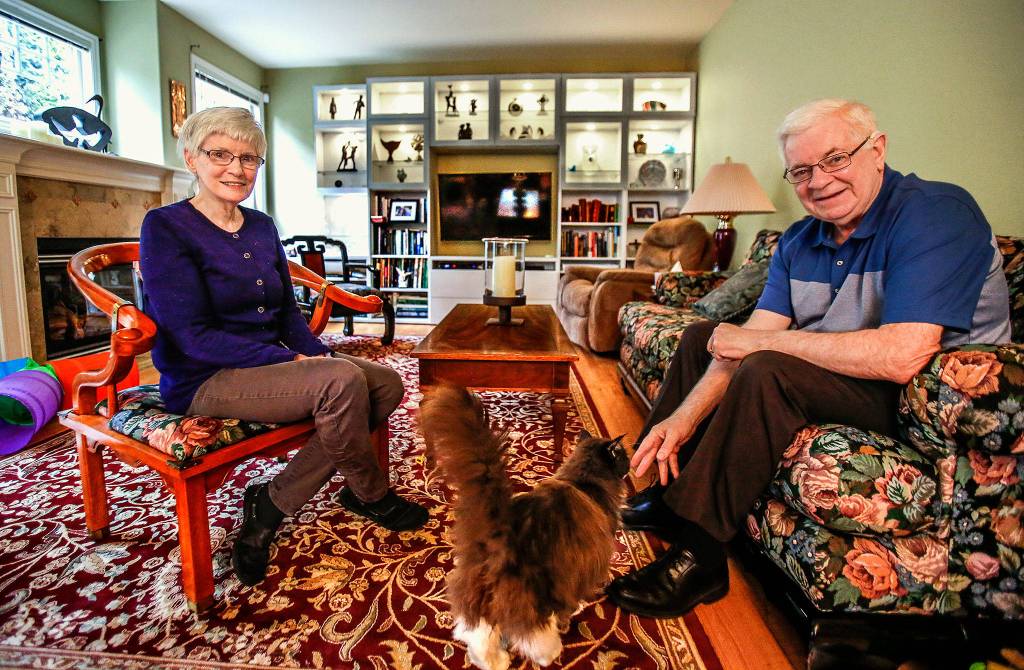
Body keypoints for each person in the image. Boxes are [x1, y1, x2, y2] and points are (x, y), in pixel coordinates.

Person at [606, 99, 1010, 618]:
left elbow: (903, 354)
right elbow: (745, 336)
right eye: (800, 171)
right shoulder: (800, 238)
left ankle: (701, 556)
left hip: (920, 400)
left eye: (835, 159)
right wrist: (683, 417)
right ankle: (670, 493)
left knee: (766, 367)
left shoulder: (935, 212)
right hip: (842, 372)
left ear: (877, 149)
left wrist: (760, 345)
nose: (818, 181)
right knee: (704, 336)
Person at [139, 107, 428, 587]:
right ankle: (368, 493)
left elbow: (285, 314)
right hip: (205, 377)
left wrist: (317, 352)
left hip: (266, 365)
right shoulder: (166, 226)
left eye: (249, 158)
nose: (237, 168)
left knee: (384, 381)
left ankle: (272, 497)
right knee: (340, 382)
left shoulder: (260, 225)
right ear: (191, 158)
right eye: (221, 154)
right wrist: (291, 360)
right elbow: (191, 334)